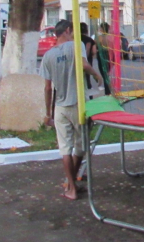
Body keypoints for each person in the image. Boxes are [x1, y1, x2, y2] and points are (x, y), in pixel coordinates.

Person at [41, 20, 104, 200]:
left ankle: (71, 186)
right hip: (78, 103)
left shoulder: (48, 56)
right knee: (80, 147)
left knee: (65, 149)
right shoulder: (76, 46)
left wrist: (48, 113)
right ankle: (72, 185)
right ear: (68, 30)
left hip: (60, 107)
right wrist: (96, 74)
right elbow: (84, 65)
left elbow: (47, 88)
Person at [94, 22, 113, 96]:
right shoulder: (110, 37)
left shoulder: (99, 37)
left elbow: (95, 45)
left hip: (102, 55)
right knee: (106, 74)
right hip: (109, 55)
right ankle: (108, 90)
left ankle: (108, 91)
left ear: (102, 29)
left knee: (104, 74)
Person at [79, 22, 98, 91]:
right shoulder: (90, 40)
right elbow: (94, 51)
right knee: (87, 80)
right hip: (88, 63)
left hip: (77, 63)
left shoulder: (75, 39)